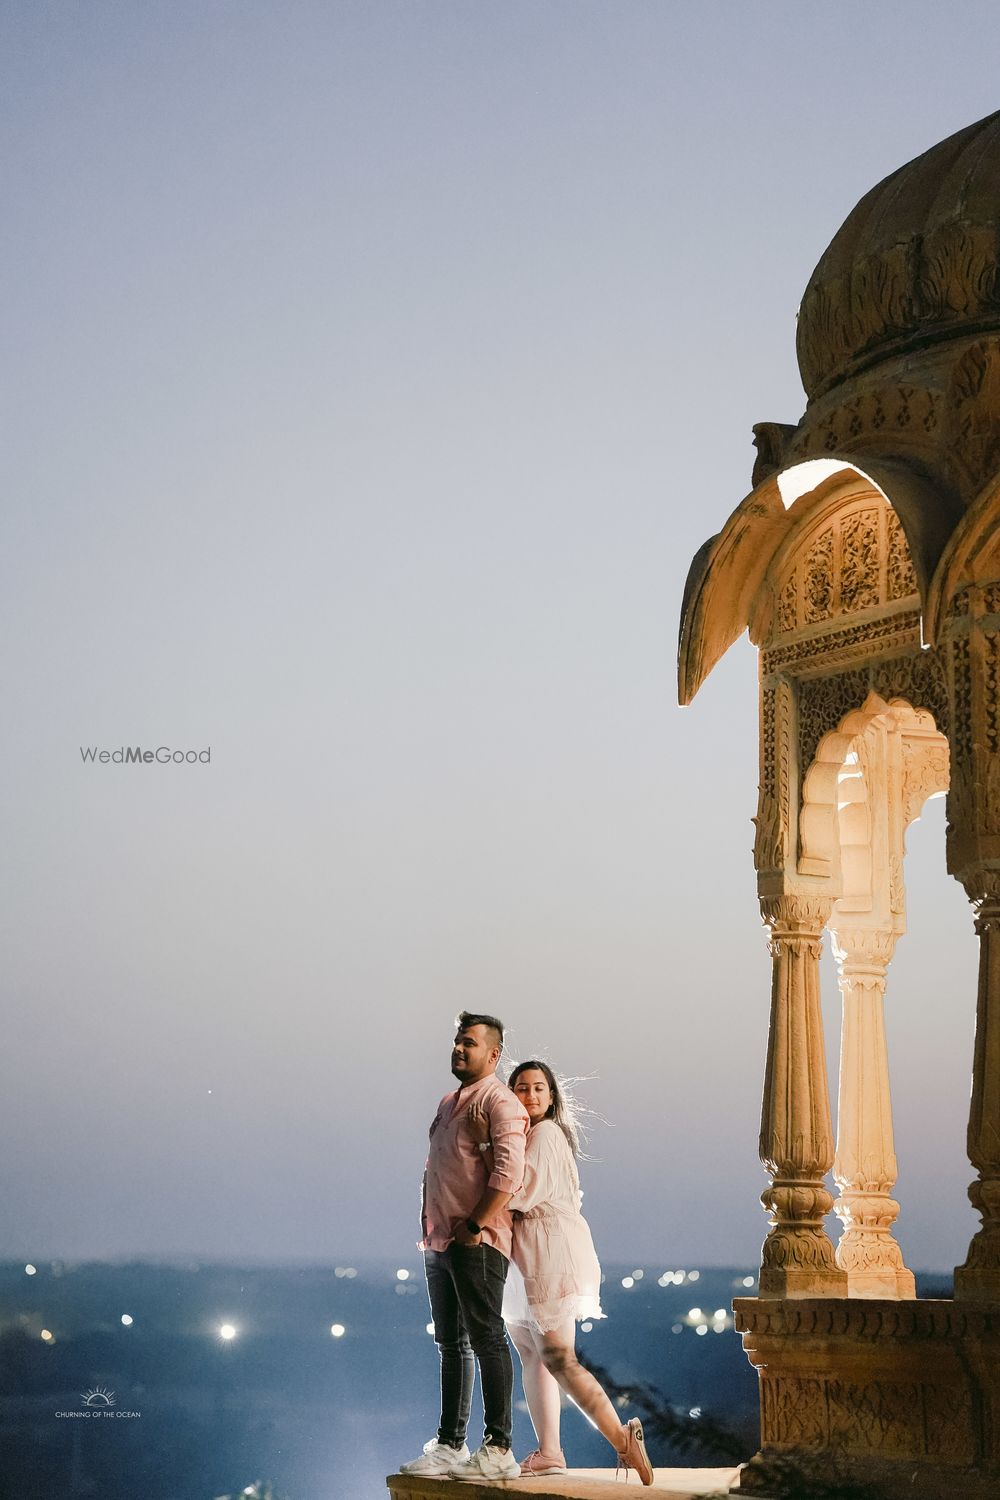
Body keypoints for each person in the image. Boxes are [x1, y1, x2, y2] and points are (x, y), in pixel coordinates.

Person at [469, 1059, 654, 1485]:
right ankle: (550, 1451)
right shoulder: (526, 1136)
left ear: (552, 1097)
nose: (530, 1096)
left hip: (546, 1248)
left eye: (538, 1088)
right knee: (533, 1354)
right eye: (521, 1088)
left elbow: (519, 1190)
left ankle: (624, 1442)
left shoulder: (547, 1135)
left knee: (558, 1357)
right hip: (525, 1250)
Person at [399, 1012, 529, 1483]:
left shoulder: (500, 1102)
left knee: (486, 1338)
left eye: (469, 1043)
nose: (458, 1048)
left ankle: (498, 1447)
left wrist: (474, 1225)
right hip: (440, 1241)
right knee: (451, 1344)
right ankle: (452, 1445)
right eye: (456, 1041)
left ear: (493, 1054)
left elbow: (508, 1175)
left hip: (476, 1241)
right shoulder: (450, 1101)